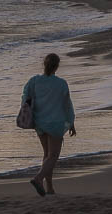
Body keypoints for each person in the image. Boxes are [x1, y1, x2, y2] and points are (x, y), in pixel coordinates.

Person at [22, 53, 76, 196]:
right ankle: (38, 179)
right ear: (57, 66)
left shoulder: (34, 81)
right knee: (53, 156)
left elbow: (25, 98)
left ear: (44, 64)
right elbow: (67, 105)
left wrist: (28, 114)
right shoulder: (61, 83)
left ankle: (50, 188)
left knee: (47, 155)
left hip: (40, 122)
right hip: (55, 123)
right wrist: (71, 122)